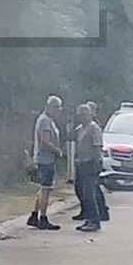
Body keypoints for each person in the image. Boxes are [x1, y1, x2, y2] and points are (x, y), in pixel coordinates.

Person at [26, 96, 67, 230]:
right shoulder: (44, 120)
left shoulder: (48, 120)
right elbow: (45, 141)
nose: (58, 110)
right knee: (46, 189)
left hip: (46, 158)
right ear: (49, 106)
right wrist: (58, 151)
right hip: (46, 159)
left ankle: (34, 215)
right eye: (56, 107)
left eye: (59, 108)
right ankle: (43, 218)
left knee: (44, 188)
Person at [68, 101, 110, 233]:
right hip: (81, 164)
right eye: (81, 114)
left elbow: (97, 147)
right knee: (81, 191)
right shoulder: (80, 128)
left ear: (90, 115)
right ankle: (87, 217)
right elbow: (69, 137)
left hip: (91, 163)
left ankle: (95, 220)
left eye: (86, 114)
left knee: (89, 193)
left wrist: (95, 163)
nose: (83, 117)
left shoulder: (94, 128)